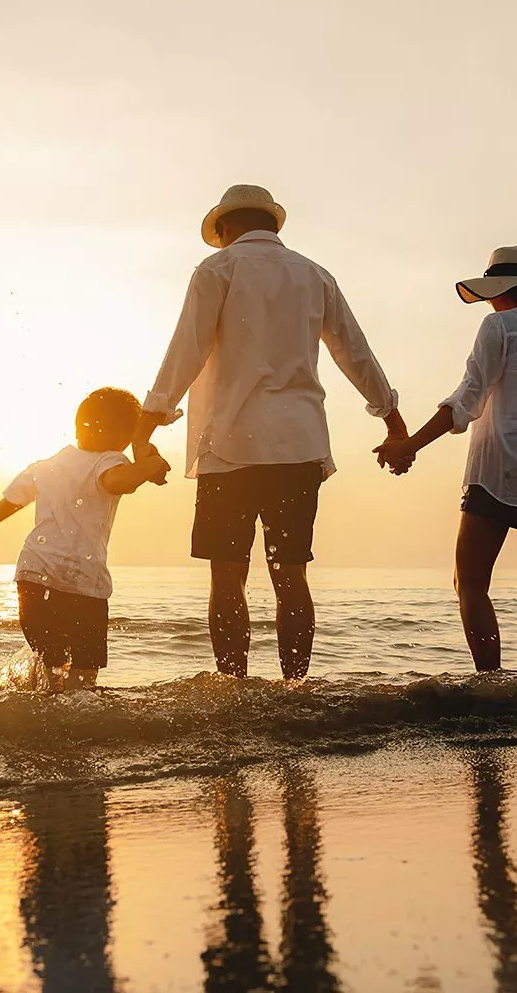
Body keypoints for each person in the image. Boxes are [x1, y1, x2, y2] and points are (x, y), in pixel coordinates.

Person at [132, 184, 406, 681]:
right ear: (272, 224)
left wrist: (147, 425)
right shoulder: (314, 275)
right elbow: (354, 351)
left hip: (230, 447)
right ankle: (294, 688)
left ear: (223, 228)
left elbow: (185, 351)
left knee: (227, 575)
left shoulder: (217, 269)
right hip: (298, 447)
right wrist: (392, 420)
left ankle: (234, 686)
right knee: (291, 575)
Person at [376, 246, 517, 671]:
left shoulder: (499, 326)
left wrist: (410, 446)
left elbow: (467, 398)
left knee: (470, 583)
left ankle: (491, 681)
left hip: (499, 471)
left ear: (502, 291)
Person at [0, 387, 170, 691]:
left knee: (54, 668)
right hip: (81, 582)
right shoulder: (109, 460)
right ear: (125, 434)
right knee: (83, 679)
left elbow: (15, 496)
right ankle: (72, 726)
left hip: (33, 576)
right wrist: (149, 466)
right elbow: (120, 482)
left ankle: (40, 718)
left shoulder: (49, 464)